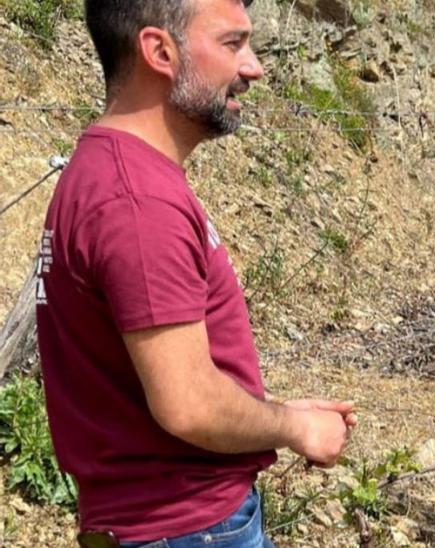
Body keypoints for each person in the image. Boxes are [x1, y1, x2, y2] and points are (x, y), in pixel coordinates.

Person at [36, 0, 355, 545]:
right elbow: (189, 403)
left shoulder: (114, 173)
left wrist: (268, 410)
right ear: (160, 51)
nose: (253, 67)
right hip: (189, 528)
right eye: (233, 44)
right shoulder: (138, 203)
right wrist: (295, 426)